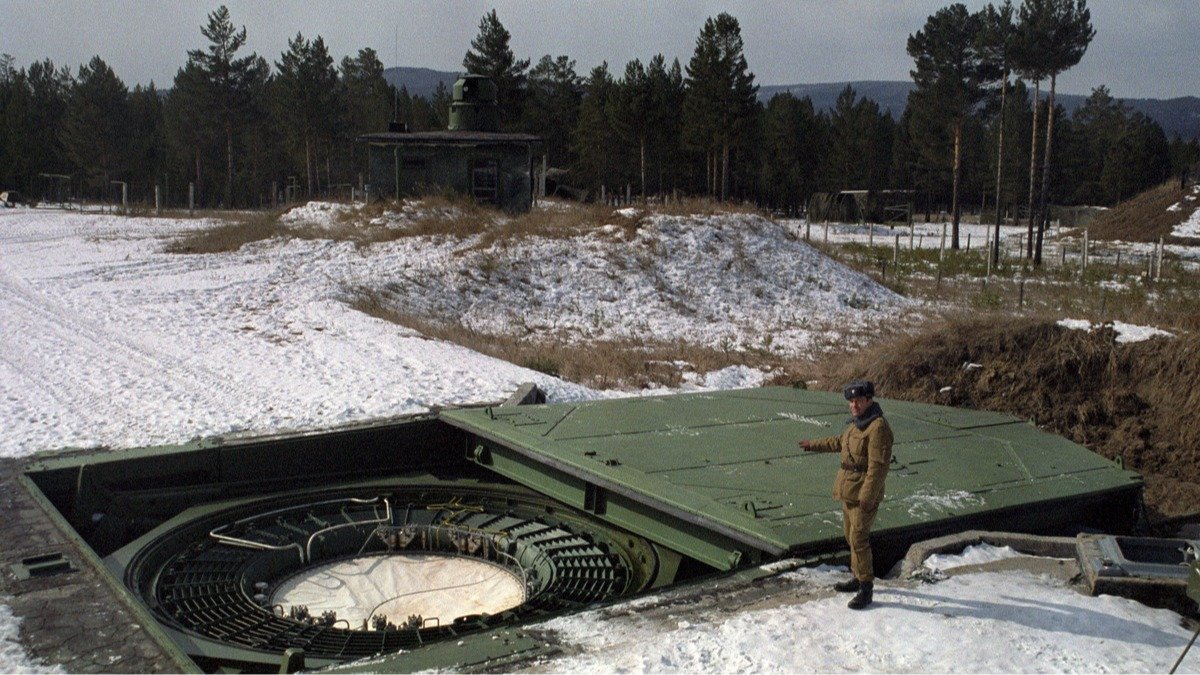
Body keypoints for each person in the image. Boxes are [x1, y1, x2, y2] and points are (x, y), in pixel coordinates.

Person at [799, 379, 893, 609]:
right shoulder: (857, 425)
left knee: (859, 539)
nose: (853, 405)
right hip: (849, 491)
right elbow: (839, 442)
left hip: (862, 494)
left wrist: (868, 496)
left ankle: (866, 588)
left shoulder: (877, 427)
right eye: (851, 402)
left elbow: (877, 467)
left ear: (869, 400)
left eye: (858, 401)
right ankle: (857, 577)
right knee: (850, 536)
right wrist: (813, 444)